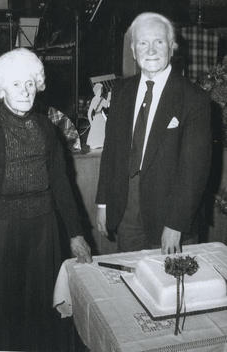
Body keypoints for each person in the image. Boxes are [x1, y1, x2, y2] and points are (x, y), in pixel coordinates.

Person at [0, 47, 92, 351]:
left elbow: (62, 184)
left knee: (42, 307)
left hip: (43, 231)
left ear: (38, 85)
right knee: (3, 311)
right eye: (16, 84)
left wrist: (75, 234)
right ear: (1, 88)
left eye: (30, 83)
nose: (24, 91)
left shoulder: (47, 128)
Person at [96, 12, 212, 255]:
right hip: (126, 212)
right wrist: (104, 202)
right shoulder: (121, 92)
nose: (150, 50)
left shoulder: (194, 99)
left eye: (159, 42)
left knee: (173, 290)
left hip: (170, 217)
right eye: (143, 43)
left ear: (172, 46)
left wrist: (176, 223)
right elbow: (111, 151)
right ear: (133, 49)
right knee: (131, 285)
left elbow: (195, 169)